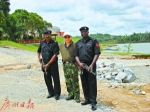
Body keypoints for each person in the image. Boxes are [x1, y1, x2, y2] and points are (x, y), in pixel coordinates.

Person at [74, 26, 101, 110]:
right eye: (82, 32)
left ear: (88, 32)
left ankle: (93, 101)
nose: (83, 33)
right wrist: (79, 63)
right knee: (84, 82)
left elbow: (97, 53)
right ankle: (87, 99)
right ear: (80, 33)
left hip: (90, 65)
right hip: (82, 65)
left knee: (92, 83)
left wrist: (92, 65)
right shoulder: (78, 43)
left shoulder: (93, 41)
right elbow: (76, 55)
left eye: (85, 32)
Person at [37, 30, 61, 100]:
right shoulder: (42, 43)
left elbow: (55, 55)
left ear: (50, 35)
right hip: (45, 65)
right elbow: (38, 51)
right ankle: (51, 93)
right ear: (44, 35)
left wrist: (48, 64)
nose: (47, 36)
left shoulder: (54, 43)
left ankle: (57, 94)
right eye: (46, 34)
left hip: (53, 64)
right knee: (47, 79)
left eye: (48, 34)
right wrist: (39, 57)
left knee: (56, 79)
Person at [59, 32, 80, 103]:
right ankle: (70, 94)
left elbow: (79, 53)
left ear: (71, 37)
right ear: (63, 38)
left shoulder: (75, 44)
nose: (67, 38)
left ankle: (77, 96)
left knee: (74, 80)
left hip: (73, 64)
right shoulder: (61, 45)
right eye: (65, 37)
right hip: (65, 65)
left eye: (68, 37)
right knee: (67, 80)